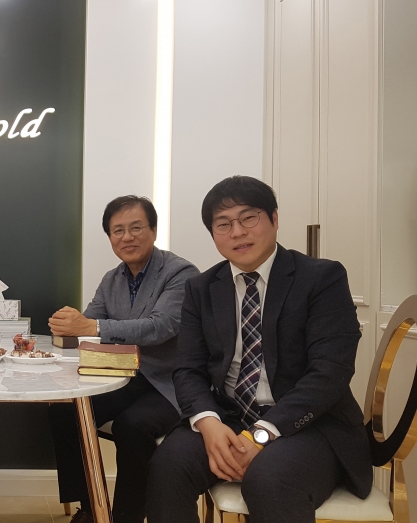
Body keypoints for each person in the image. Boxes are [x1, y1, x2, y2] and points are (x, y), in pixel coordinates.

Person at [145, 176, 373, 523]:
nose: (237, 232)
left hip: (309, 425)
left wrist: (262, 434)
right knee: (167, 465)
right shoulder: (201, 289)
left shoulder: (321, 278)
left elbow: (330, 373)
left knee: (269, 479)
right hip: (230, 417)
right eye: (223, 224)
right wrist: (207, 421)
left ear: (274, 219)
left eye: (248, 218)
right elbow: (188, 369)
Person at [47, 195, 199, 523]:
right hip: (124, 377)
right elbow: (89, 323)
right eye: (118, 230)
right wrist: (67, 324)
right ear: (110, 237)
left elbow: (160, 326)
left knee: (132, 426)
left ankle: (125, 517)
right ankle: (90, 508)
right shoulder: (111, 279)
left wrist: (90, 326)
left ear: (154, 230)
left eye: (136, 228)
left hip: (170, 383)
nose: (127, 237)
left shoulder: (180, 272)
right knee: (65, 408)